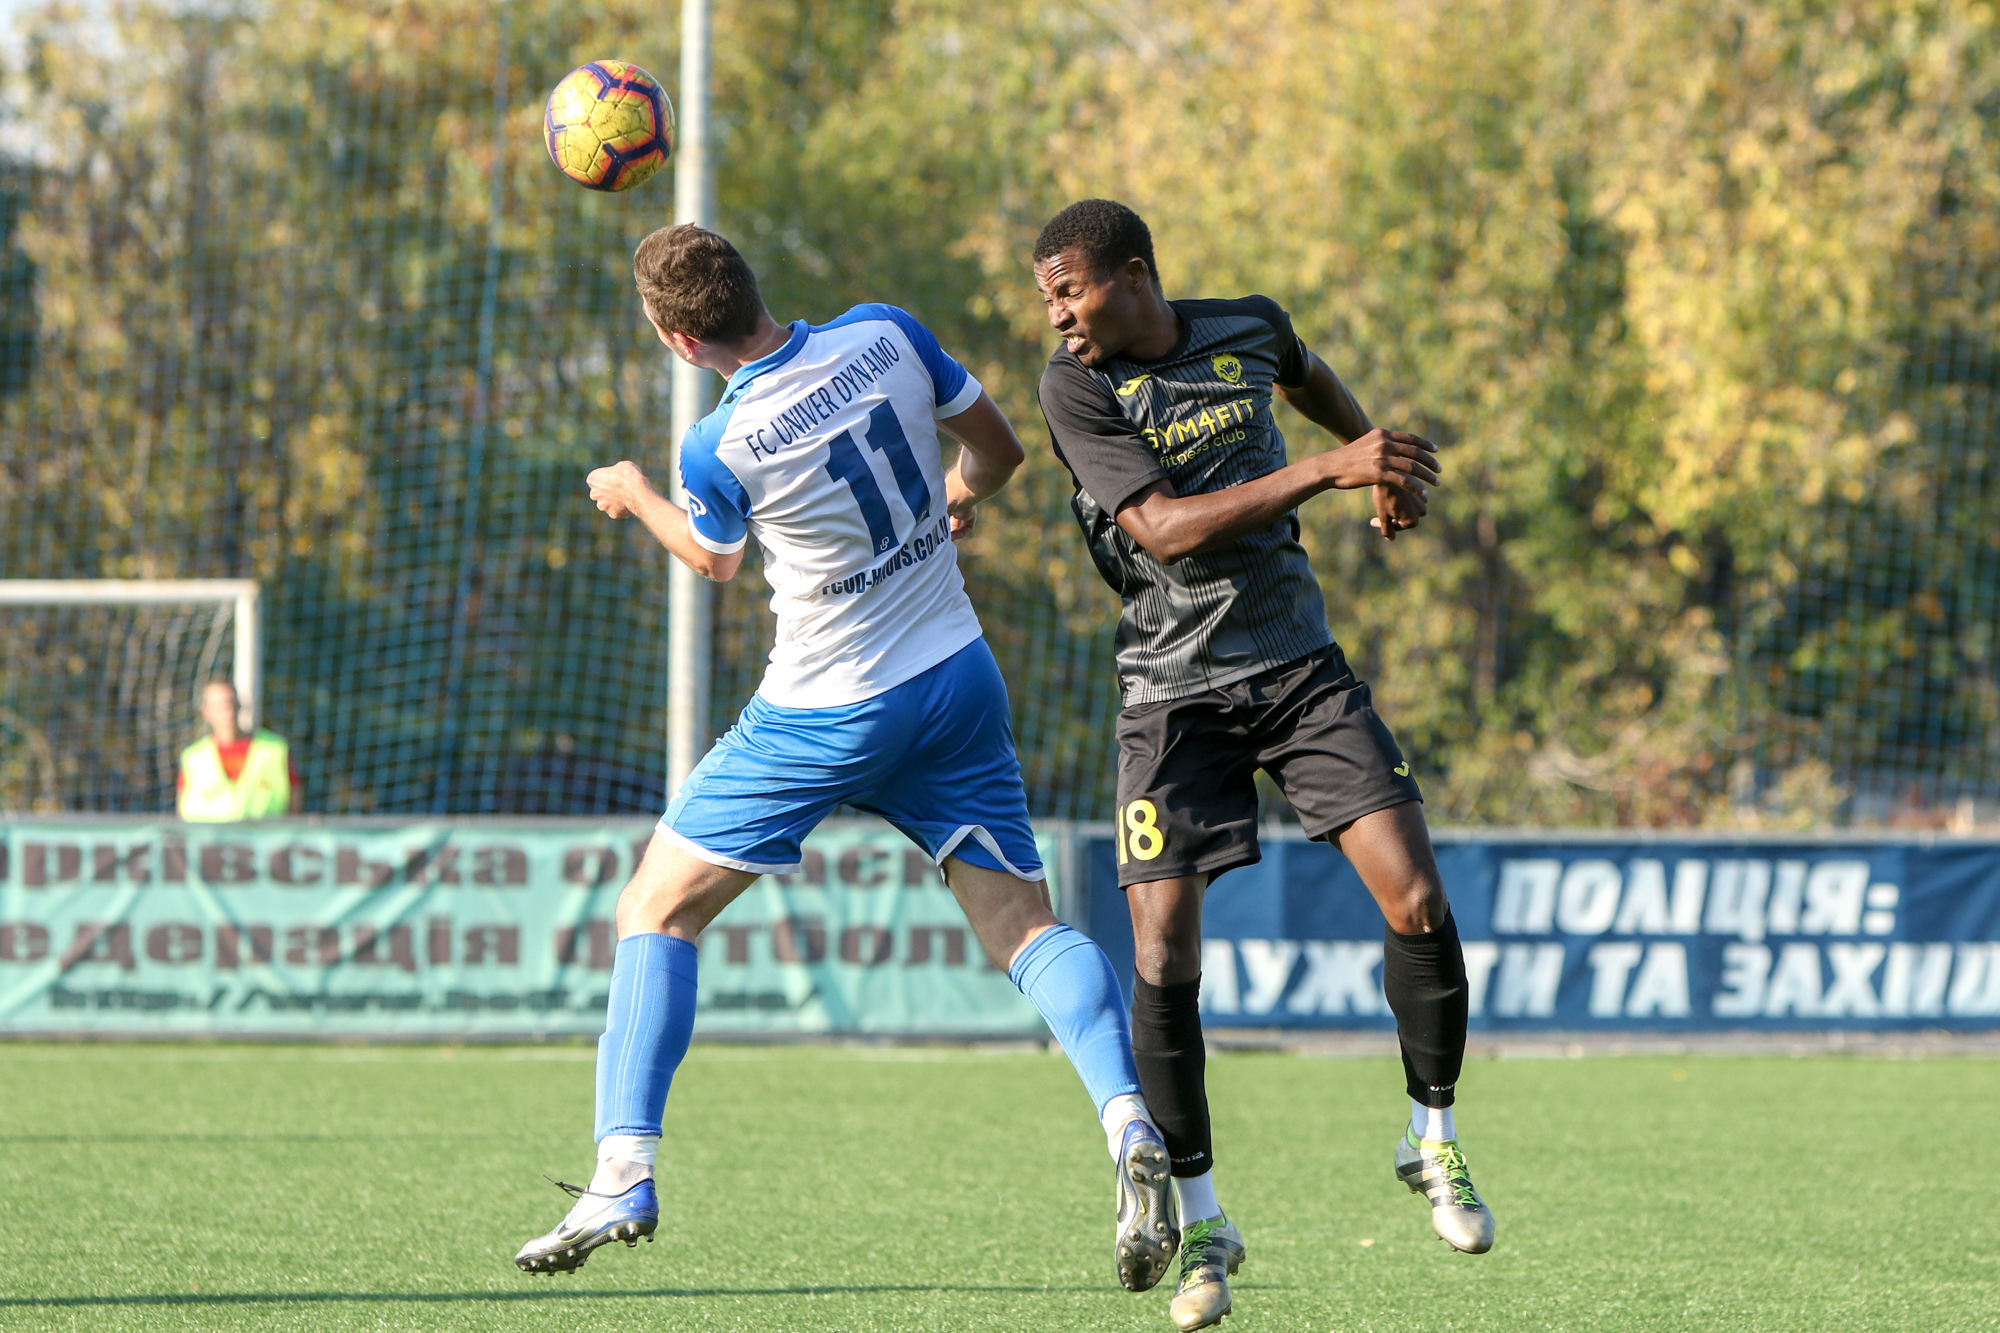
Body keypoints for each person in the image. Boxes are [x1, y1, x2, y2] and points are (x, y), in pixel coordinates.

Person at [514, 224, 1179, 1293]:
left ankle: (622, 1173)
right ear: (753, 286)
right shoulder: (886, 333)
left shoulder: (717, 443)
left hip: (823, 709)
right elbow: (1000, 452)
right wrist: (956, 495)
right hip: (955, 675)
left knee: (654, 909)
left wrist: (634, 492)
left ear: (680, 342)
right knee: (1025, 926)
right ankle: (1127, 1119)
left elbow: (715, 560)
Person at [1030, 200, 1491, 1332]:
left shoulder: (1247, 325)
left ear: (1135, 275)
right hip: (1169, 694)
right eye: (1048, 298)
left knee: (1417, 898)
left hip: (1297, 670)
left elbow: (1310, 377)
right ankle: (1202, 1221)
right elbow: (1164, 530)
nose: (1057, 315)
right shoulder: (1074, 390)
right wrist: (1331, 469)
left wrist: (1377, 464)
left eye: (1071, 291)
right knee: (1160, 950)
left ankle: (1430, 1137)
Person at [176, 680, 302, 820]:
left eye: (230, 703)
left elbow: (295, 804)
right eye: (220, 706)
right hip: (208, 834)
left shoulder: (274, 749)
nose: (227, 711)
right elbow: (182, 810)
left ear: (239, 705)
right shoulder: (193, 758)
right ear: (206, 711)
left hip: (265, 833)